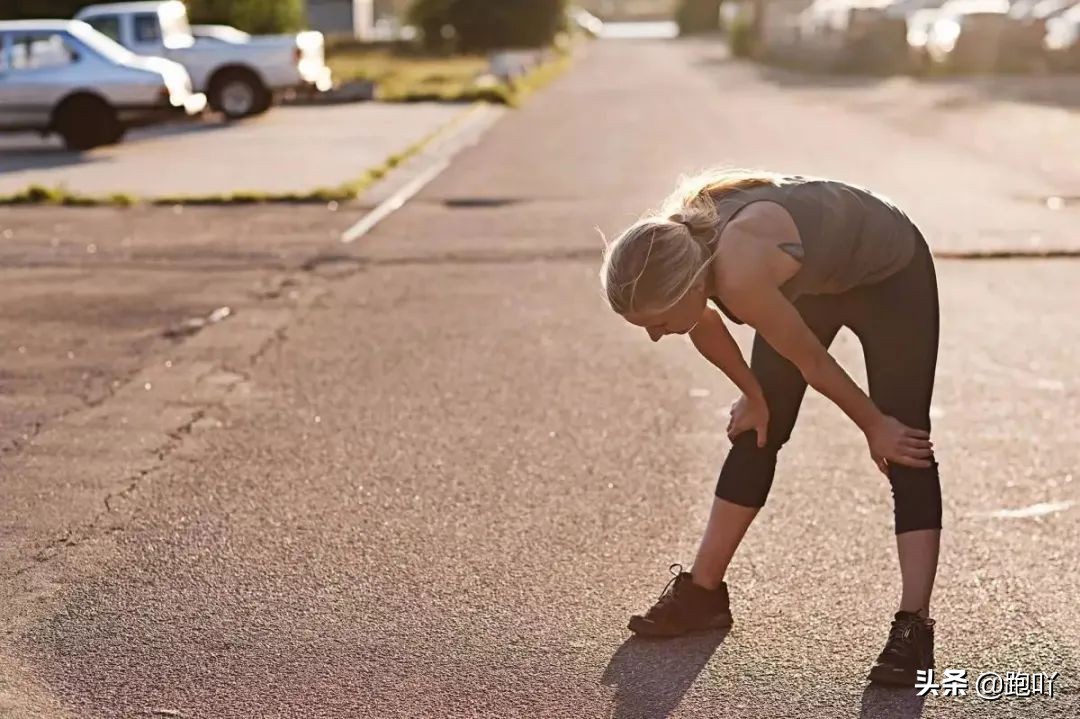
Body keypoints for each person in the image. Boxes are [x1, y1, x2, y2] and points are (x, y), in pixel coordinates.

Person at [598, 168, 941, 687]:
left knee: (903, 439)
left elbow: (815, 365)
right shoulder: (686, 253)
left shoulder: (739, 271)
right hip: (809, 278)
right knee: (757, 427)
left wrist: (874, 426)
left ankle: (914, 626)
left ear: (688, 286)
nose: (653, 336)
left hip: (889, 274)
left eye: (656, 322)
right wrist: (754, 396)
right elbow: (703, 322)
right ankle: (703, 593)